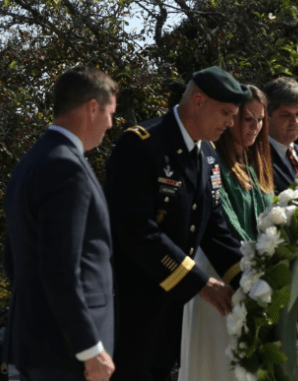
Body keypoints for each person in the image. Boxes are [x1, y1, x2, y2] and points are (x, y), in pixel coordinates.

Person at [105, 66, 249, 381]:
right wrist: (199, 282)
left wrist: (248, 283)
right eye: (225, 112)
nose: (230, 122)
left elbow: (214, 229)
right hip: (129, 305)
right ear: (197, 101)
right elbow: (136, 230)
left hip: (172, 310)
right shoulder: (142, 144)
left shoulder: (208, 155)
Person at [3, 66, 117, 381]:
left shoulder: (31, 161)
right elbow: (60, 269)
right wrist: (90, 349)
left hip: (42, 345)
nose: (110, 123)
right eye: (109, 112)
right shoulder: (67, 167)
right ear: (92, 107)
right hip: (68, 355)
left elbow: (13, 259)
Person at [178, 85, 274, 381]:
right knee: (219, 363)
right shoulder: (214, 159)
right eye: (248, 119)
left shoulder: (256, 164)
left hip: (252, 273)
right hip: (222, 268)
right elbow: (223, 221)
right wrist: (254, 265)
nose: (254, 128)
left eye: (260, 120)